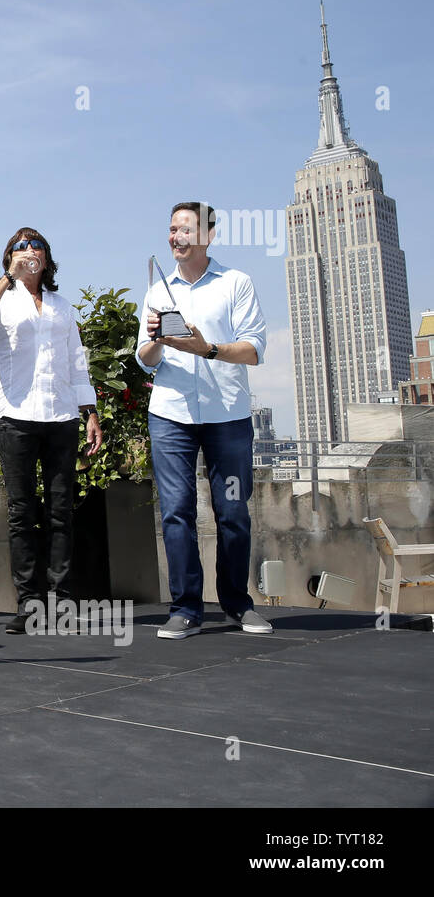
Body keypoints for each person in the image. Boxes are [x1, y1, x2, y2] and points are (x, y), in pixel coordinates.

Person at [136, 202, 271, 639]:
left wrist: (205, 348)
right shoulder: (158, 290)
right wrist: (157, 340)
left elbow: (253, 349)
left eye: (185, 229)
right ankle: (186, 608)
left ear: (209, 234)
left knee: (232, 511)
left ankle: (236, 604)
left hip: (226, 415)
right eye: (171, 230)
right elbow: (145, 359)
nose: (175, 237)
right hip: (170, 415)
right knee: (176, 512)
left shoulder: (236, 283)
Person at [0, 228, 102, 635]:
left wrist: (89, 411)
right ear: (9, 256)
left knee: (61, 512)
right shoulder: (0, 300)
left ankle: (62, 601)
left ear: (46, 257)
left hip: (61, 417)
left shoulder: (62, 306)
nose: (29, 251)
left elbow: (77, 362)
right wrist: (9, 276)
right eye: (20, 247)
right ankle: (29, 603)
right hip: (16, 418)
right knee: (22, 514)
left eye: (35, 245)